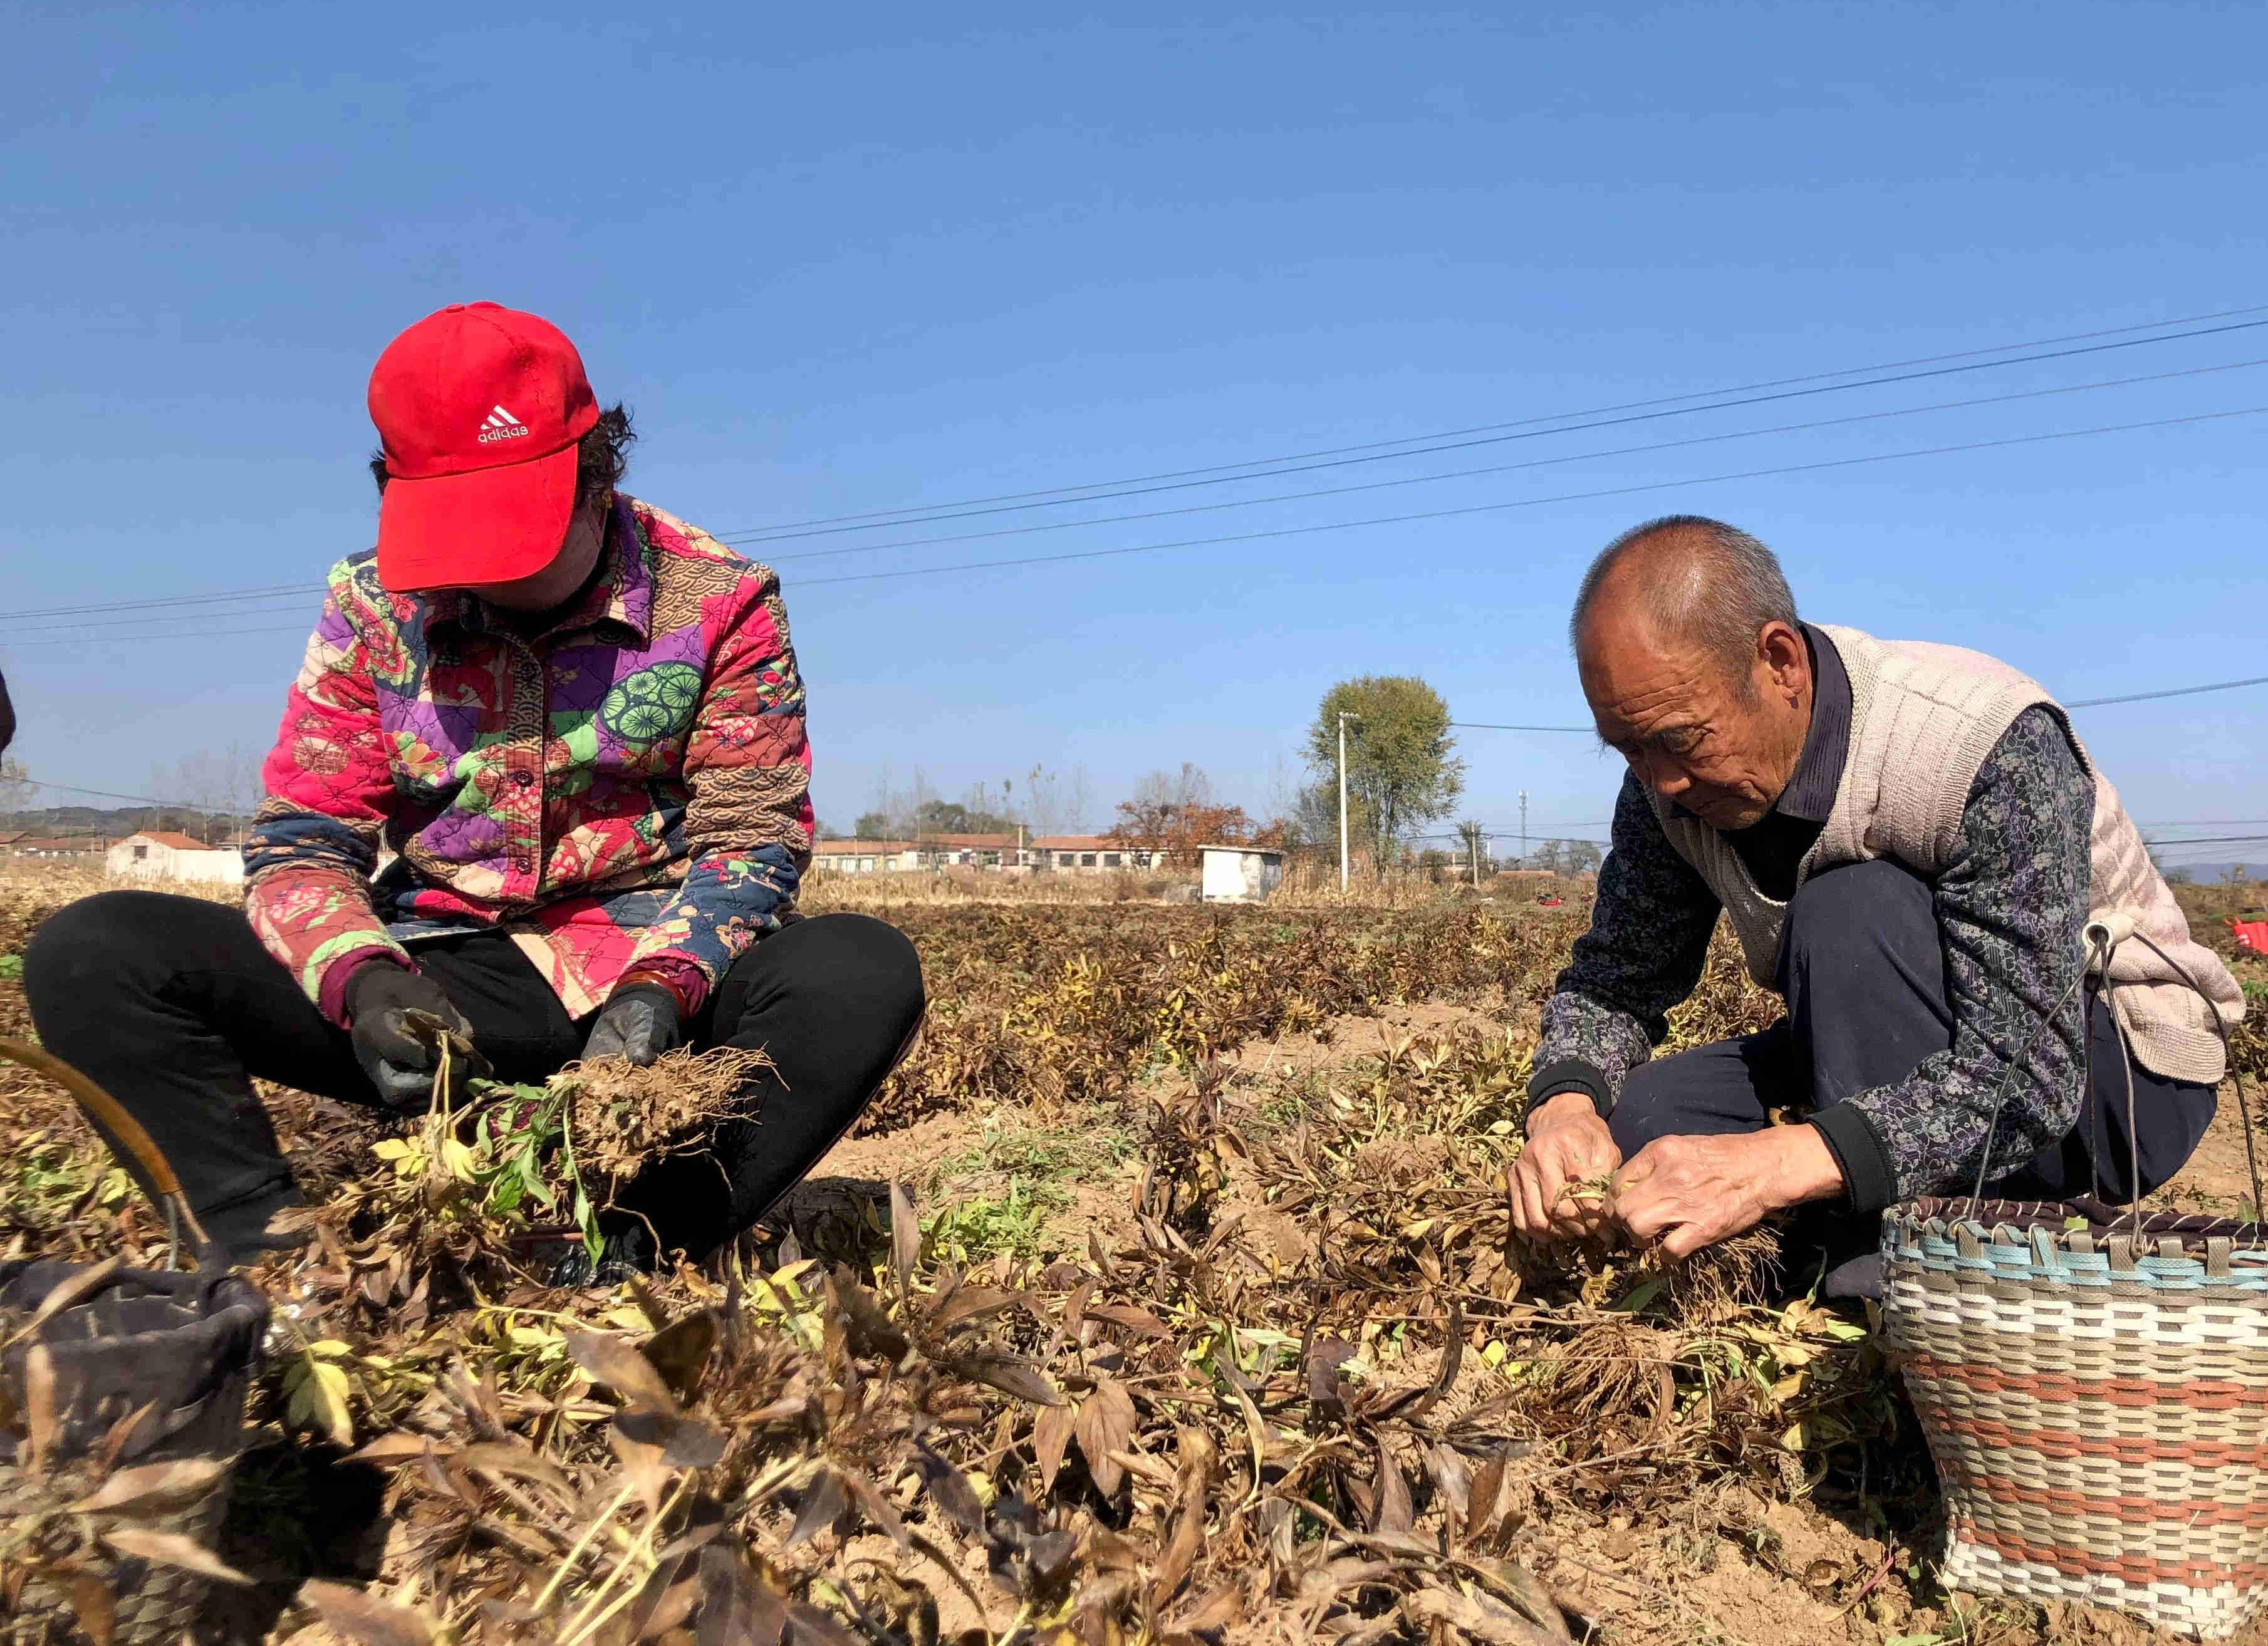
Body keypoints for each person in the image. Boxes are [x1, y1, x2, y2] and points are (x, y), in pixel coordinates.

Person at [24, 302, 926, 1275]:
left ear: (595, 478)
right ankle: (266, 1267)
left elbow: (751, 839)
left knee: (860, 972)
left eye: (514, 538)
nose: (486, 578)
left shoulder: (718, 602)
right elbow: (303, 838)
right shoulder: (372, 606)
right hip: (444, 976)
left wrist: (663, 989)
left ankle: (631, 1246)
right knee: (96, 953)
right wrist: (363, 980)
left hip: (646, 988)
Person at [1507, 515, 2242, 1295]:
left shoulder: (1977, 740)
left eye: (1678, 740)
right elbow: (1618, 978)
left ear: (1778, 661)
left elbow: (2028, 1078)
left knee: (1849, 910)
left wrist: (1780, 1163)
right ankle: (1840, 1233)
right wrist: (1564, 1105)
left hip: (2107, 1073)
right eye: (1626, 749)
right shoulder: (1664, 781)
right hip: (1886, 1026)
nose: (1659, 781)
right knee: (1647, 1123)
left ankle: (1886, 1301)